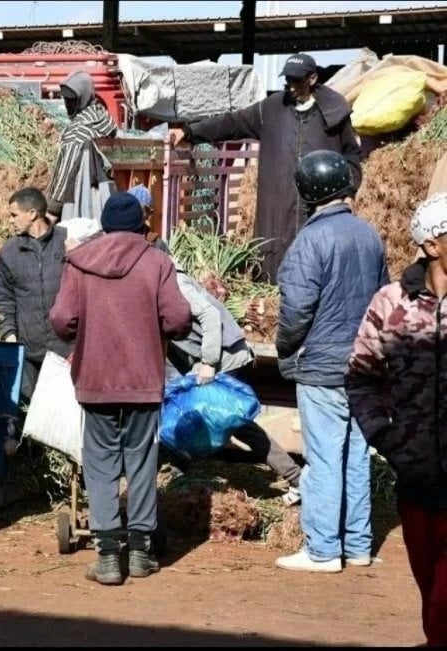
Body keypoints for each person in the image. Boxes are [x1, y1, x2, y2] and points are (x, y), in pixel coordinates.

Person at [50, 192, 192, 586]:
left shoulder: (79, 262)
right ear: (141, 226)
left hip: (95, 379)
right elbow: (179, 318)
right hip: (144, 381)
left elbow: (62, 321)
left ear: (106, 226)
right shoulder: (157, 261)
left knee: (98, 464)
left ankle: (109, 555)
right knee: (142, 462)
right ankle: (141, 553)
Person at [274, 150, 388, 573]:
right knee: (357, 456)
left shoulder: (311, 240)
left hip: (322, 368)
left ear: (308, 193)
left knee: (323, 458)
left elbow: (296, 310)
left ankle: (322, 549)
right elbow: (384, 301)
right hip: (364, 368)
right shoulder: (369, 235)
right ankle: (357, 546)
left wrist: (286, 348)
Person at [346, 193, 447, 645]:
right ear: (431, 245)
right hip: (416, 475)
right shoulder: (391, 304)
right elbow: (361, 378)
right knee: (430, 591)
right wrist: (386, 438)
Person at [168, 53, 362, 282]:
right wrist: (190, 132)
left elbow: (352, 154)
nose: (291, 87)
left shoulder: (333, 112)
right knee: (275, 260)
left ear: (313, 79)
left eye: (297, 81)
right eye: (287, 81)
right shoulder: (271, 109)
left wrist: (349, 190)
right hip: (278, 205)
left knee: (320, 265)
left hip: (320, 207)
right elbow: (232, 122)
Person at [160, 247, 303, 506]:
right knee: (186, 415)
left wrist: (208, 362)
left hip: (224, 359)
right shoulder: (161, 283)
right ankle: (179, 477)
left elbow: (211, 316)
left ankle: (297, 478)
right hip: (211, 360)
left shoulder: (175, 282)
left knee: (234, 422)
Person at [0, 187, 71, 402]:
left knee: (63, 415)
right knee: (28, 414)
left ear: (32, 213)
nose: (10, 221)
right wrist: (9, 334)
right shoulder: (9, 253)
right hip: (30, 353)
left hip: (66, 350)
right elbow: (5, 298)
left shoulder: (67, 243)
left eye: (14, 215)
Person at [46, 71, 117, 221]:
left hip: (76, 206)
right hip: (101, 202)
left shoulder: (77, 132)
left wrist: (53, 209)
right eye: (65, 99)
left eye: (71, 100)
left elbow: (66, 174)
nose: (67, 104)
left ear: (82, 98)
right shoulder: (103, 120)